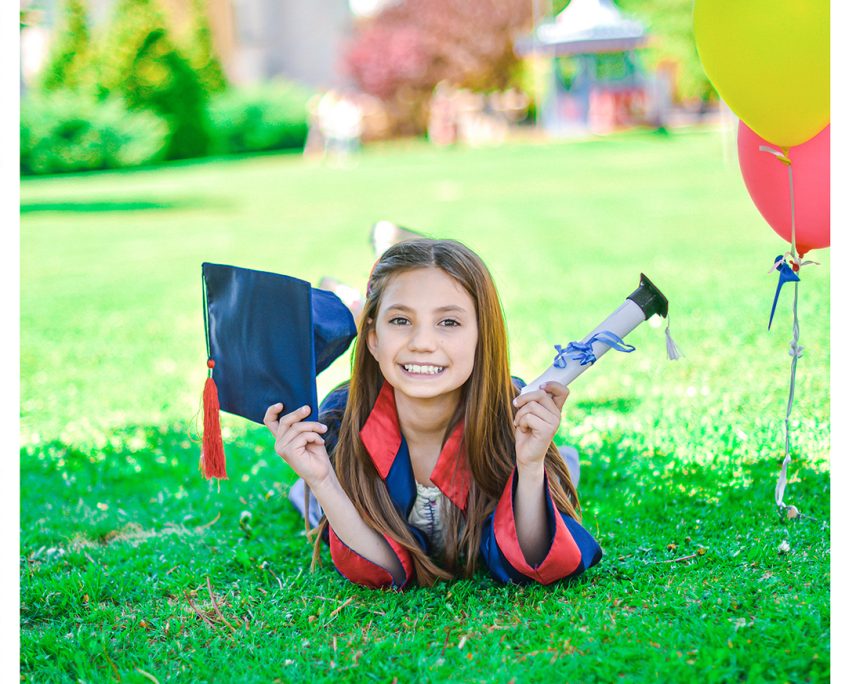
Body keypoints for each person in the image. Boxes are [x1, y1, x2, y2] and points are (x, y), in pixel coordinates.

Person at [263, 239, 601, 588]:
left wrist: (530, 467)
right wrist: (322, 481)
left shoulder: (511, 415)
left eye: (449, 322)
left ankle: (364, 301)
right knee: (309, 499)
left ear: (482, 336)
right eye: (400, 320)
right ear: (373, 339)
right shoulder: (339, 424)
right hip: (344, 473)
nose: (422, 342)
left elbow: (533, 561)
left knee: (562, 474)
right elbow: (381, 572)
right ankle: (355, 303)